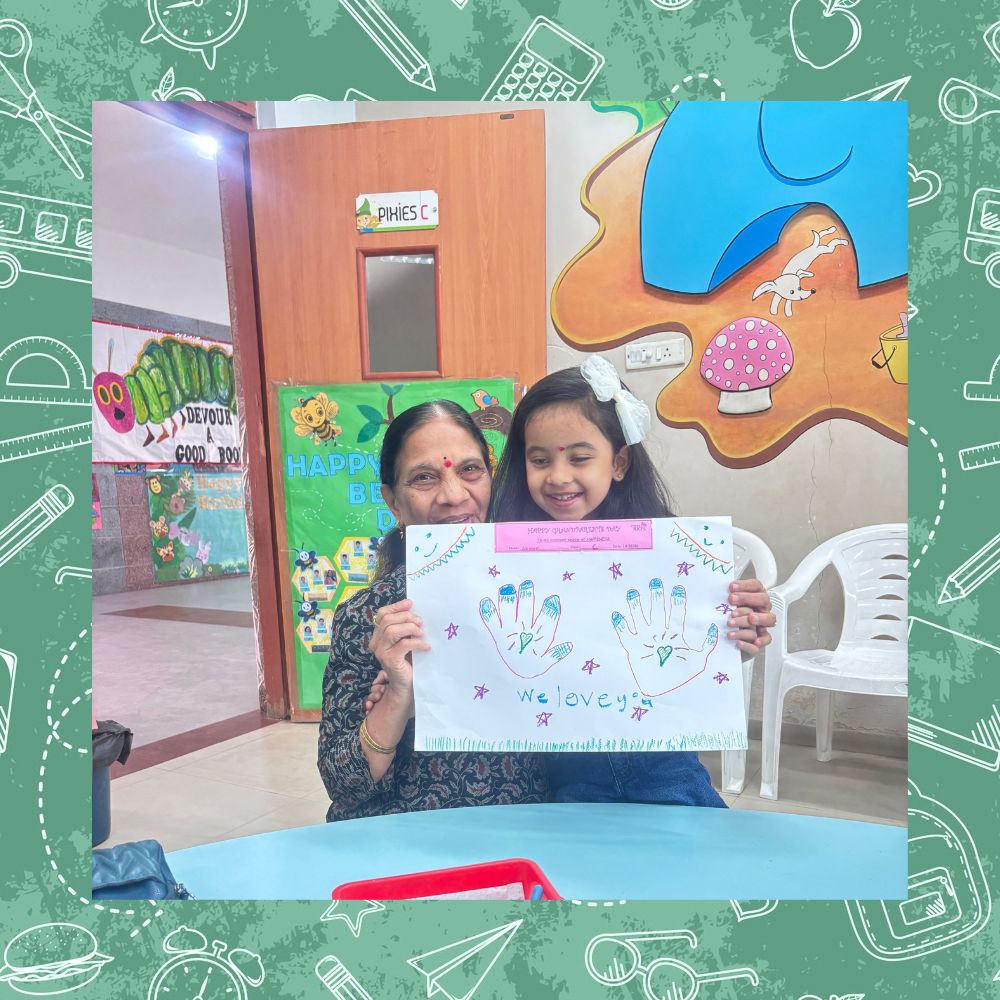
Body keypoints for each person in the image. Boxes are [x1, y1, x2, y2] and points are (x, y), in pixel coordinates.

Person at [484, 355, 774, 806]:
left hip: (667, 769)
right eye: (539, 460)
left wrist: (736, 633)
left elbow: (696, 660)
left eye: (580, 458)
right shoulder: (502, 563)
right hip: (564, 779)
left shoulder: (665, 552)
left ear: (618, 462)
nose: (558, 477)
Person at [317, 400, 548, 822]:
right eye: (424, 477)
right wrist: (398, 695)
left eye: (470, 470)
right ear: (393, 501)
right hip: (403, 837)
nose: (454, 495)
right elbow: (343, 786)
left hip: (521, 836)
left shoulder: (540, 597)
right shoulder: (370, 618)